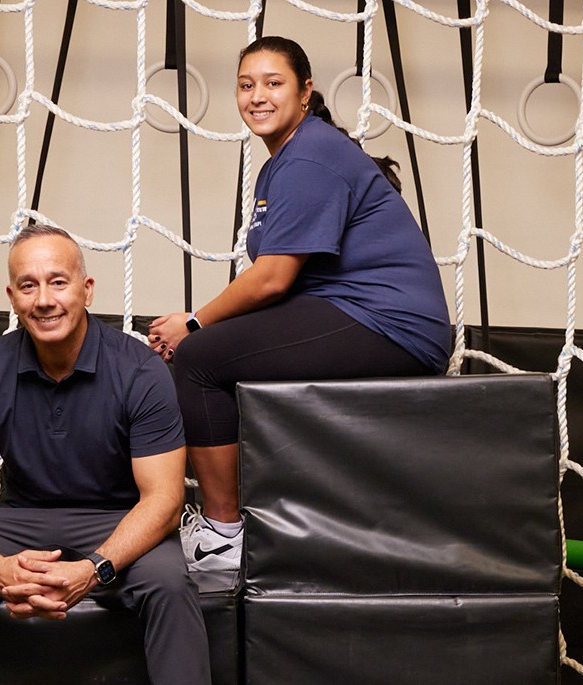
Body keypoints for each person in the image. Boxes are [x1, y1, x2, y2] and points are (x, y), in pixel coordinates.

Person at [147, 36, 451, 576]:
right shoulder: (288, 158)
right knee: (217, 350)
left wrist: (192, 323)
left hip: (390, 324)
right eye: (246, 85)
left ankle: (222, 534)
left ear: (305, 91)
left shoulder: (310, 153)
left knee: (200, 359)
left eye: (273, 83)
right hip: (354, 311)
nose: (257, 96)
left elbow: (271, 280)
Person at [0, 224, 211, 685]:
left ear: (86, 290)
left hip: (117, 517)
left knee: (170, 584)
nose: (44, 299)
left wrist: (92, 570)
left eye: (58, 281)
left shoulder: (141, 371)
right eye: (28, 286)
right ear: (13, 297)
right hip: (19, 520)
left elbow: (164, 501)